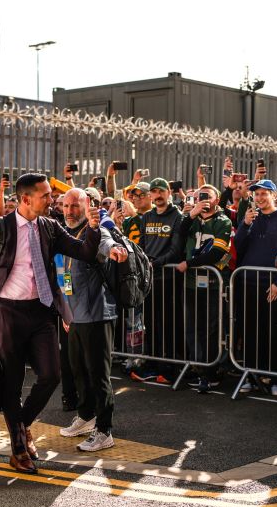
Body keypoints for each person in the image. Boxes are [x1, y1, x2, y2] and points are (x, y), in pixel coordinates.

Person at [0, 174, 123, 474]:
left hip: (41, 311)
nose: (53, 201)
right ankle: (18, 449)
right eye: (46, 196)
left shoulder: (49, 227)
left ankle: (21, 426)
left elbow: (85, 252)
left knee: (51, 374)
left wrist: (92, 227)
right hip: (6, 312)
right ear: (26, 199)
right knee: (10, 383)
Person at [56, 189, 128, 452]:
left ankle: (104, 430)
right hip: (74, 316)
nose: (69, 210)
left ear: (88, 207)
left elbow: (106, 243)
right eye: (66, 205)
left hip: (97, 315)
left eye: (75, 206)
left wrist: (115, 251)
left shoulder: (95, 230)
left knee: (98, 375)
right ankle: (86, 417)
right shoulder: (67, 233)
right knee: (78, 371)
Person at [231, 179, 277, 396]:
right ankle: (250, 376)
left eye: (263, 194)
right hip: (247, 282)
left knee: (273, 332)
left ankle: (276, 379)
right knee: (250, 332)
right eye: (256, 194)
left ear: (273, 195)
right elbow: (237, 247)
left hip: (272, 286)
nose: (259, 198)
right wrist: (245, 224)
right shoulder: (251, 217)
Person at [176, 184, 234, 391]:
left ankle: (211, 372)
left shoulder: (223, 221)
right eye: (201, 196)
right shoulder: (192, 219)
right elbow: (179, 234)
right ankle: (198, 367)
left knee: (211, 329)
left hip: (212, 283)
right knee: (192, 327)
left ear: (217, 200)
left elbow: (217, 253)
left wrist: (189, 264)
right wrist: (192, 214)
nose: (204, 200)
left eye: (208, 196)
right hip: (191, 283)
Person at [130, 178, 185, 384]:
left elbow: (176, 250)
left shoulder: (177, 217)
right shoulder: (147, 217)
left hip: (169, 278)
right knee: (150, 324)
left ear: (169, 192)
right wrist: (145, 263)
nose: (158, 195)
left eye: (161, 191)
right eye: (154, 192)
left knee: (168, 325)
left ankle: (168, 368)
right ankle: (151, 365)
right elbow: (142, 245)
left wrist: (155, 263)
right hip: (150, 278)